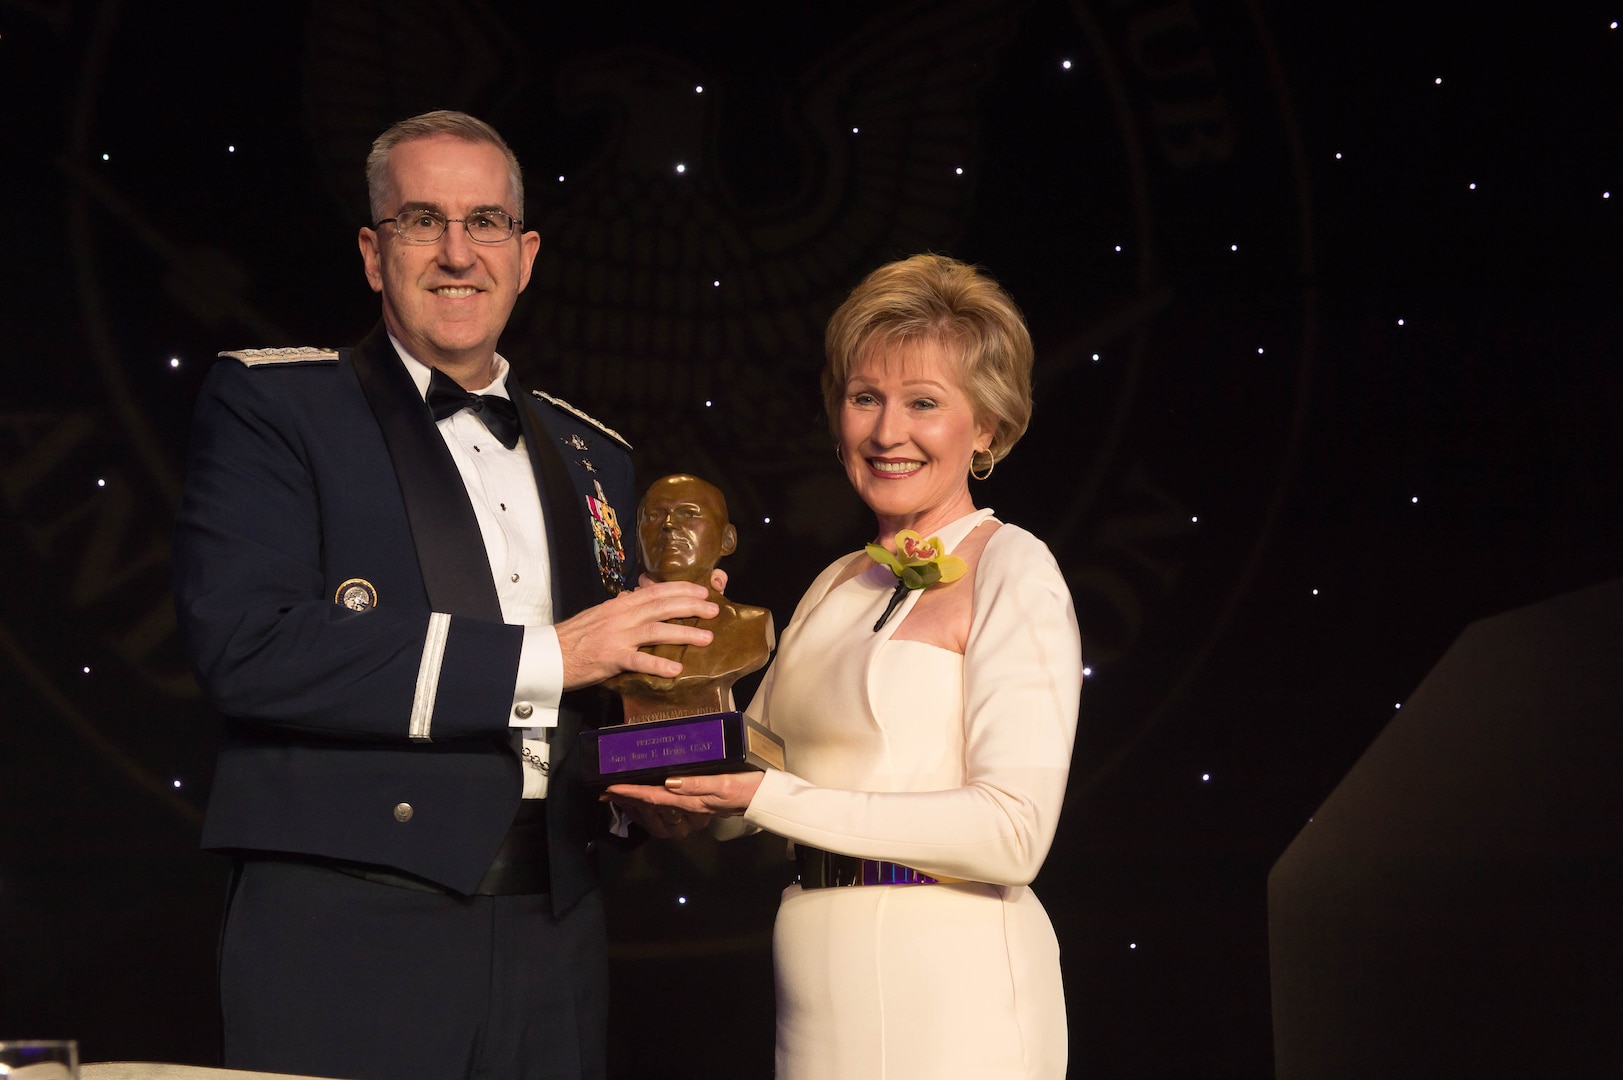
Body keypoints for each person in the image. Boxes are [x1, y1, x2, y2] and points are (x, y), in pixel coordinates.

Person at [172, 110, 719, 1080]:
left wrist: (650, 785)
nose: (458, 252)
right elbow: (248, 646)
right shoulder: (275, 407)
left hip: (557, 927)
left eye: (487, 223)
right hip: (350, 922)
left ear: (527, 253)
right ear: (374, 254)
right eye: (424, 221)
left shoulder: (597, 457)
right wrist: (558, 655)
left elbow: (597, 697)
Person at [608, 254, 1083, 1078]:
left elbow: (1013, 835)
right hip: (816, 985)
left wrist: (768, 795)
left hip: (956, 988)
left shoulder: (1017, 566)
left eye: (923, 404)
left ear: (987, 428)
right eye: (865, 398)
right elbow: (744, 795)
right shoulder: (837, 582)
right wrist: (678, 742)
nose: (885, 431)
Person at [607, 474, 774, 721]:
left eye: (688, 513)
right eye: (654, 516)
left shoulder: (752, 625)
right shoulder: (612, 632)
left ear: (727, 540)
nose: (669, 524)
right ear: (637, 541)